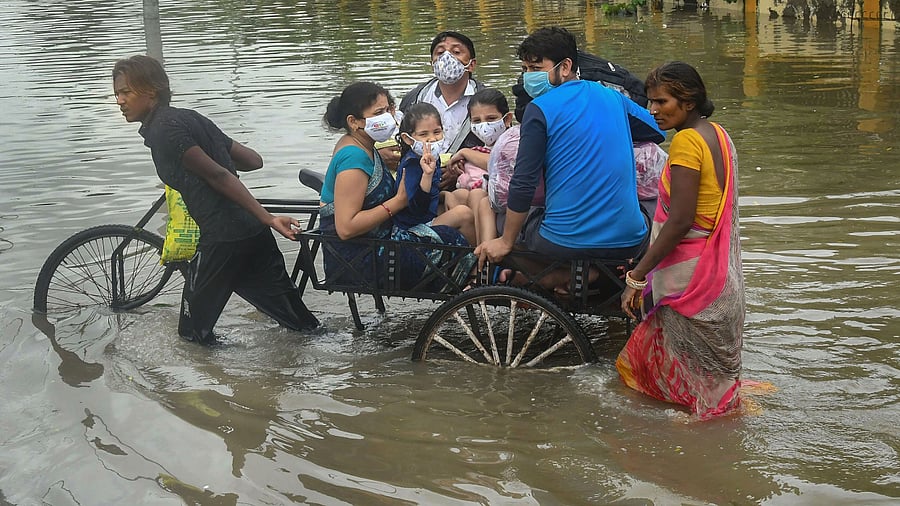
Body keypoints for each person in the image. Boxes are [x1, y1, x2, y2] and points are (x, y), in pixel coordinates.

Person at [112, 55, 318, 345]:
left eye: (126, 92)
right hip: (251, 233)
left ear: (152, 90)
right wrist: (260, 217)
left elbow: (218, 176)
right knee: (299, 323)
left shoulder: (163, 130)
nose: (119, 101)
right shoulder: (190, 118)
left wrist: (269, 218)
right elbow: (252, 160)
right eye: (117, 93)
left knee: (191, 337)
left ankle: (227, 382)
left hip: (222, 239)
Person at [474, 27, 665, 291]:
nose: (528, 77)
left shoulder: (538, 110)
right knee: (650, 208)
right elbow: (656, 130)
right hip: (630, 240)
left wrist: (505, 241)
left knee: (502, 216)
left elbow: (524, 181)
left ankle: (555, 275)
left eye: (536, 68)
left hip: (562, 242)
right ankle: (595, 273)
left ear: (565, 67)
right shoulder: (612, 97)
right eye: (525, 69)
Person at [617, 61, 744, 419]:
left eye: (662, 102)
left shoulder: (687, 142)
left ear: (688, 102)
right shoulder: (718, 134)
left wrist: (637, 276)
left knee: (696, 390)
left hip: (689, 276)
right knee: (710, 384)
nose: (653, 110)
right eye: (651, 101)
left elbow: (680, 221)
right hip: (717, 272)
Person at [320, 82, 472, 290]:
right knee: (452, 232)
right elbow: (346, 228)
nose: (389, 116)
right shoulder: (353, 158)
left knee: (460, 200)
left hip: (378, 239)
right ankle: (479, 276)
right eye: (379, 112)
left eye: (389, 109)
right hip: (363, 257)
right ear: (354, 122)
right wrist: (398, 202)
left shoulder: (363, 146)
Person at [399, 31, 487, 190]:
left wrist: (461, 169)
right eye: (440, 52)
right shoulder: (414, 99)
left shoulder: (487, 102)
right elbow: (402, 142)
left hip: (468, 186)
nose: (447, 57)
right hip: (418, 182)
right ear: (432, 63)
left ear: (472, 64)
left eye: (456, 52)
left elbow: (498, 149)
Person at [393, 102, 475, 244]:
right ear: (407, 139)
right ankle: (474, 262)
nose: (432, 139)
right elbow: (417, 208)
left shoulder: (432, 156)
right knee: (464, 214)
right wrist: (427, 175)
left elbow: (433, 191)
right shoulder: (412, 164)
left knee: (463, 195)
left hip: (426, 215)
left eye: (437, 132)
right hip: (411, 228)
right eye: (423, 134)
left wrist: (445, 195)